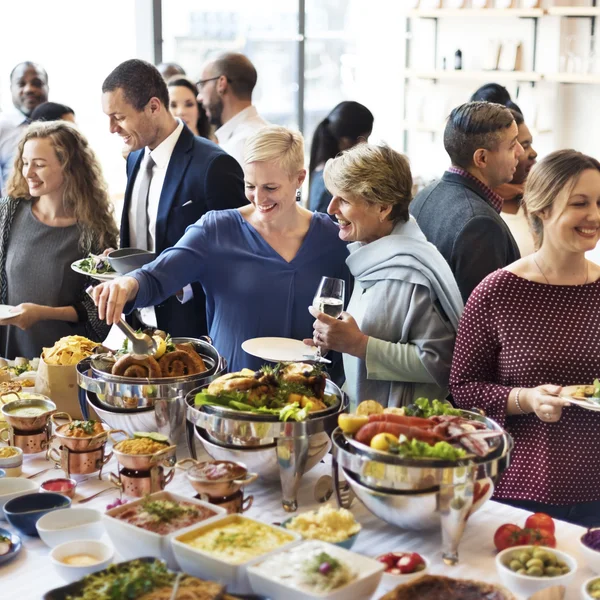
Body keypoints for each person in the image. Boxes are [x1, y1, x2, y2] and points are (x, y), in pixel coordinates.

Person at [90, 126, 350, 373]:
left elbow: (353, 318)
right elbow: (157, 276)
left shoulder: (333, 238)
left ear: (299, 179)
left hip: (310, 394)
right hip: (230, 393)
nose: (259, 199)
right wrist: (126, 284)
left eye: (270, 188)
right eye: (250, 186)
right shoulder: (216, 229)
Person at [450, 149, 600, 528]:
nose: (595, 216)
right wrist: (527, 399)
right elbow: (462, 388)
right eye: (580, 203)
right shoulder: (497, 292)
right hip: (520, 489)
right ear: (542, 209)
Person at [305, 144, 463, 408]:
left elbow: (442, 364)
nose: (331, 208)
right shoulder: (374, 254)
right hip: (362, 419)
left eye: (343, 200)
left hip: (399, 433)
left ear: (383, 207)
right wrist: (337, 339)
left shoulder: (413, 271)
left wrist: (359, 344)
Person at [101, 58, 246, 338]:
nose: (111, 128)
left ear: (154, 106)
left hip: (193, 334)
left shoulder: (213, 165)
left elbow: (238, 258)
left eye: (119, 117)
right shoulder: (133, 158)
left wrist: (179, 284)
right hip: (137, 329)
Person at [0, 121, 118, 359]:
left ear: (68, 167)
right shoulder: (9, 212)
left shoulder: (95, 231)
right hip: (9, 362)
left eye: (39, 165)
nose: (28, 172)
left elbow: (98, 314)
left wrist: (42, 313)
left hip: (64, 364)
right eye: (24, 163)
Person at [410, 101, 523, 302]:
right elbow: (481, 318)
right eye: (512, 145)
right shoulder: (480, 225)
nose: (520, 152)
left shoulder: (425, 195)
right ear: (482, 158)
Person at [196, 52, 268, 166]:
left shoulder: (241, 145)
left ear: (221, 83)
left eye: (202, 84)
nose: (199, 97)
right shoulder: (261, 132)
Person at [308, 101, 373, 214]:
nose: (366, 144)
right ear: (346, 140)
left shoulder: (323, 172)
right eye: (365, 138)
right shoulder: (330, 183)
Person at [0, 62, 49, 194]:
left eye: (37, 83)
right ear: (11, 89)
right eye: (21, 84)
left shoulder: (61, 122)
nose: (29, 89)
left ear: (47, 87)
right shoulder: (2, 127)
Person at [496, 109, 538, 257]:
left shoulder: (537, 199)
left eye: (530, 144)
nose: (534, 153)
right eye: (524, 145)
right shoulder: (485, 209)